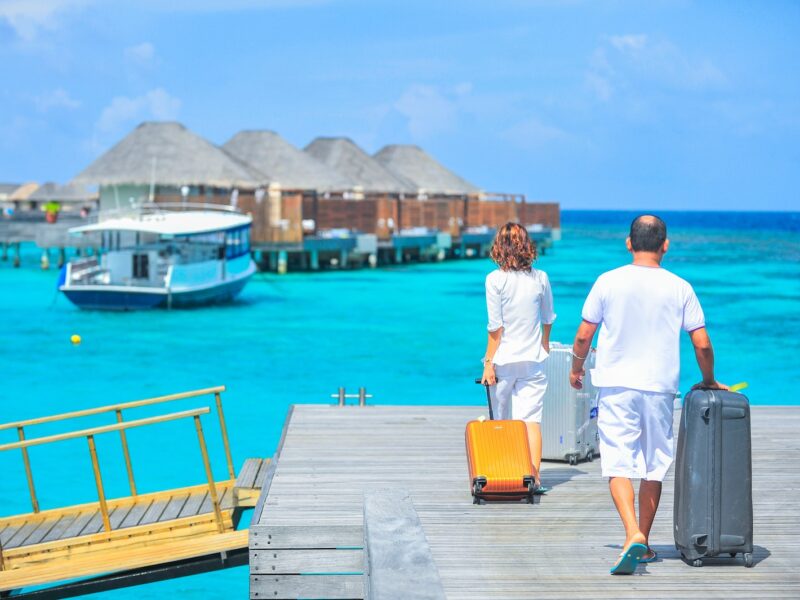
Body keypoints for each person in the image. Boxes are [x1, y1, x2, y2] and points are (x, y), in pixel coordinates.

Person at [569, 214, 727, 575]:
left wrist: (576, 369)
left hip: (616, 384)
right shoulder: (680, 287)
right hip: (659, 388)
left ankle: (631, 534)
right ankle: (644, 541)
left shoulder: (607, 281)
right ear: (665, 245)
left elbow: (583, 335)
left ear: (629, 243)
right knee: (654, 463)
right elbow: (701, 343)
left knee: (617, 460)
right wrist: (709, 380)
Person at [481, 222, 556, 490]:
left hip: (503, 361)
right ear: (527, 246)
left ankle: (503, 474)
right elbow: (548, 318)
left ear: (498, 247)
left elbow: (495, 327)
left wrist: (488, 363)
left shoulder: (495, 279)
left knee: (500, 421)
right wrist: (544, 344)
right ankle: (534, 478)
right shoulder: (541, 278)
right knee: (531, 421)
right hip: (533, 360)